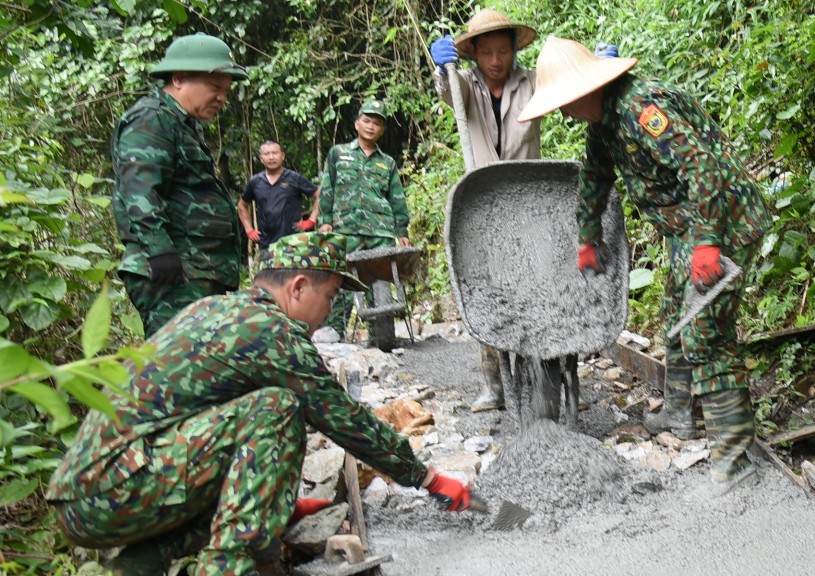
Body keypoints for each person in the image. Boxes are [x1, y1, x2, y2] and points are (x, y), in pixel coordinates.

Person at [46, 232, 478, 576]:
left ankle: (135, 567)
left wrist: (277, 504)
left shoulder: (217, 310)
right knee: (278, 408)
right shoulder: (270, 332)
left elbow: (213, 438)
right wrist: (427, 477)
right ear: (298, 286)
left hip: (87, 499)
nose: (329, 311)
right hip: (116, 488)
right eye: (329, 297)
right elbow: (340, 418)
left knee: (252, 498)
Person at [517, 36, 772, 493]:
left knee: (704, 330)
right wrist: (587, 238)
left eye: (563, 103)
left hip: (722, 219)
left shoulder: (642, 110)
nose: (561, 113)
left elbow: (704, 169)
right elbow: (594, 178)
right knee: (675, 316)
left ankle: (734, 461)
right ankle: (681, 413)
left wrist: (710, 244)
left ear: (583, 92)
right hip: (685, 228)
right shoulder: (602, 126)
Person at [429, 9, 579, 414]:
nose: (496, 61)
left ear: (515, 51)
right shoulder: (465, 85)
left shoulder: (531, 82)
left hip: (529, 204)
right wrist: (441, 70)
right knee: (484, 287)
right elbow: (447, 90)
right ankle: (493, 382)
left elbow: (568, 89)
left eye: (503, 51)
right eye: (487, 52)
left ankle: (545, 371)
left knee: (536, 285)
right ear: (474, 53)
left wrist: (597, 65)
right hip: (481, 205)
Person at [111, 33, 245, 338]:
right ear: (179, 78)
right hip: (174, 273)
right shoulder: (152, 119)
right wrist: (160, 253)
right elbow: (140, 192)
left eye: (226, 90)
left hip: (195, 271)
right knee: (177, 370)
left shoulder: (181, 123)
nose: (222, 98)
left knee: (196, 368)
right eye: (215, 88)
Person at [317, 99, 411, 338]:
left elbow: (397, 199)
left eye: (377, 123)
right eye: (367, 121)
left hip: (380, 231)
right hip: (345, 229)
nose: (371, 126)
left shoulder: (387, 162)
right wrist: (325, 220)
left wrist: (402, 233)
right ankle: (335, 334)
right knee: (341, 282)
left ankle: (379, 336)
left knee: (378, 283)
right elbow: (328, 188)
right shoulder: (338, 153)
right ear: (357, 123)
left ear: (382, 130)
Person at [238, 141, 320, 249]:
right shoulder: (256, 181)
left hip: (294, 243)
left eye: (275, 153)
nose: (271, 157)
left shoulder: (294, 178)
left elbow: (319, 194)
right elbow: (242, 205)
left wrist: (311, 220)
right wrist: (249, 230)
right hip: (266, 244)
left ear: (282, 156)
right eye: (267, 154)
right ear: (261, 158)